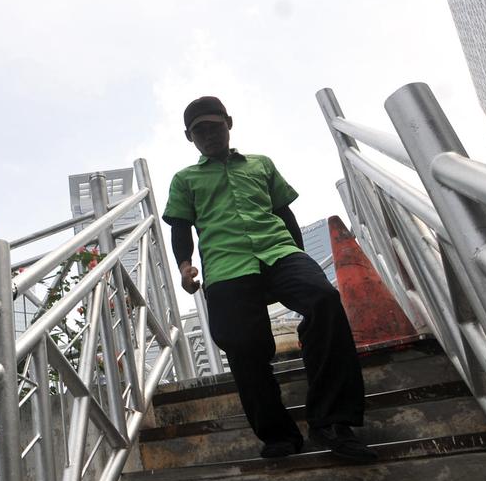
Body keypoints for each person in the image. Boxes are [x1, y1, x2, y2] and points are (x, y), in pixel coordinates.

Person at [161, 96, 377, 462]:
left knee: (323, 299)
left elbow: (283, 211)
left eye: (215, 126)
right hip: (226, 265)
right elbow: (180, 227)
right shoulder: (185, 180)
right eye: (200, 131)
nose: (209, 135)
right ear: (189, 137)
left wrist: (299, 256)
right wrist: (185, 265)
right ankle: (278, 435)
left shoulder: (261, 164)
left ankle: (332, 422)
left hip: (278, 251)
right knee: (244, 346)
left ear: (229, 123)